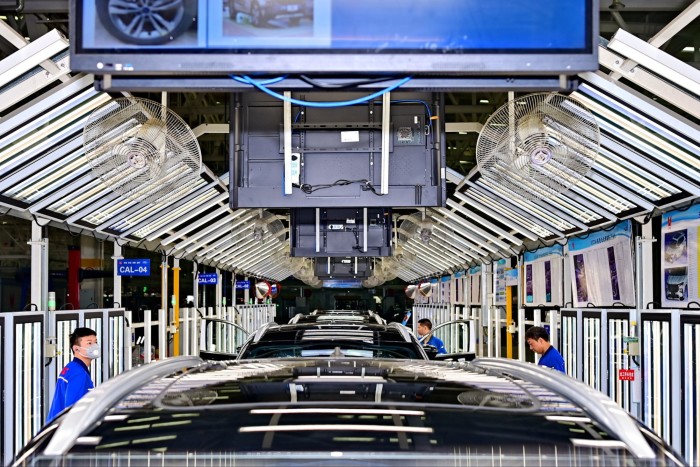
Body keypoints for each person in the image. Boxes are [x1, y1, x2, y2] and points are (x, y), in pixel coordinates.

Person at [47, 327, 99, 422]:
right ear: (76, 349)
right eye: (89, 343)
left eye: (96, 342)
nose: (95, 346)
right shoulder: (79, 374)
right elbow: (73, 411)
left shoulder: (71, 367)